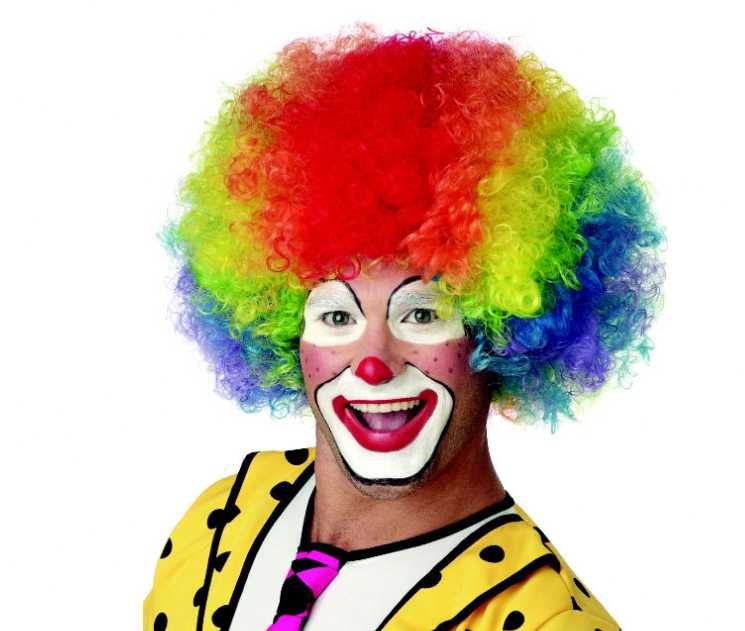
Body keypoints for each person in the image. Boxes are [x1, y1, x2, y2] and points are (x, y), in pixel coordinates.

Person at [144, 24, 665, 630]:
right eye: (337, 316)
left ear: (504, 335)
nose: (373, 363)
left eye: (421, 314)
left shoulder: (538, 619)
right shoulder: (221, 526)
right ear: (287, 337)